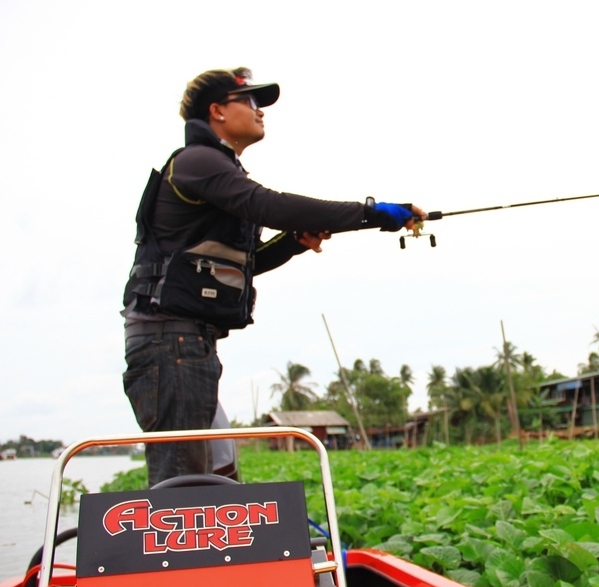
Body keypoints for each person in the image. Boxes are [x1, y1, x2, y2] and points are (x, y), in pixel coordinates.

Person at [122, 67, 425, 487]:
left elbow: (245, 262)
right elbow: (271, 205)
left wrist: (294, 243)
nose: (259, 110)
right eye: (249, 101)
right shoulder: (197, 161)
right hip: (168, 340)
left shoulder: (218, 170)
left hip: (187, 342)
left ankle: (217, 551)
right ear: (217, 112)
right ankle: (177, 553)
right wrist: (371, 213)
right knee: (182, 479)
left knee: (219, 464)